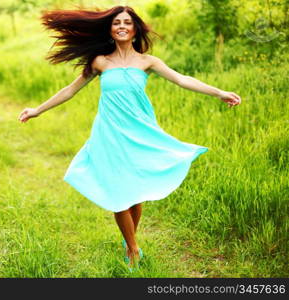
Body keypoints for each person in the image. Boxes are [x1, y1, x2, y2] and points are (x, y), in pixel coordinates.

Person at [18, 6, 241, 271]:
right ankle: (133, 248)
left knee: (135, 193)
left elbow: (182, 80)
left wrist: (219, 92)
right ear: (110, 30)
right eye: (116, 23)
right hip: (109, 132)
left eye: (127, 22)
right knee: (118, 190)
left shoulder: (148, 62)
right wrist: (37, 110)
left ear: (135, 29)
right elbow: (70, 90)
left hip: (140, 131)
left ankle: (129, 241)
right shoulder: (100, 61)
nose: (121, 26)